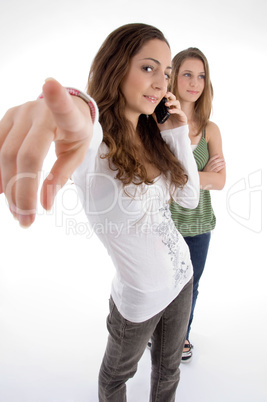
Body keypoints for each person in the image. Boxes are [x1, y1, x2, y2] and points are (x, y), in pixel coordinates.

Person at [0, 24, 200, 401]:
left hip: (183, 279)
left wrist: (177, 130)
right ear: (116, 67)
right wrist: (69, 104)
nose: (161, 83)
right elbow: (78, 120)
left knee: (168, 371)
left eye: (167, 72)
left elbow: (189, 198)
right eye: (148, 68)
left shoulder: (152, 134)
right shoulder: (94, 147)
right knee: (114, 379)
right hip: (138, 302)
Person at [168, 47, 226, 362]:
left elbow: (221, 180)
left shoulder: (210, 129)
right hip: (161, 222)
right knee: (160, 285)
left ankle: (180, 338)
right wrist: (203, 174)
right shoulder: (156, 123)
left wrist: (185, 176)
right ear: (173, 77)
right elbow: (157, 178)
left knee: (190, 287)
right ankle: (154, 336)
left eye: (201, 75)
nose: (195, 82)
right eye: (187, 74)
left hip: (199, 224)